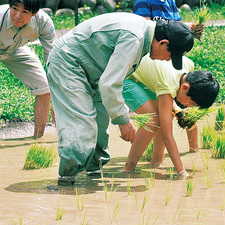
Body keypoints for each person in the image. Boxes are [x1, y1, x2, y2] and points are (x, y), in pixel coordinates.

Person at [46, 12, 195, 186]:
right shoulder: (134, 39)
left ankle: (94, 174)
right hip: (68, 63)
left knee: (100, 124)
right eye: (170, 56)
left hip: (91, 70)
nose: (167, 60)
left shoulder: (145, 34)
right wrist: (123, 120)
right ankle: (66, 181)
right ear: (163, 43)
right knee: (83, 125)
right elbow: (110, 84)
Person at [122, 54, 219, 177]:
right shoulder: (168, 86)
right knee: (153, 120)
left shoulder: (187, 65)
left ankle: (156, 162)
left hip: (142, 76)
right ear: (185, 87)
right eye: (191, 103)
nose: (188, 106)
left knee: (166, 116)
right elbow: (167, 136)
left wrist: (176, 109)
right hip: (125, 77)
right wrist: (181, 171)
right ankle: (129, 168)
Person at [133, 0, 203, 160]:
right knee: (164, 113)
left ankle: (194, 151)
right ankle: (157, 160)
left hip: (172, 57)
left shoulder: (169, 1)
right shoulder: (144, 1)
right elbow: (144, 28)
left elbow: (175, 26)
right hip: (155, 58)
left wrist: (189, 29)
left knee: (189, 103)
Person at [0, 0, 56, 138]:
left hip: (15, 50)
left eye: (24, 11)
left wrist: (57, 95)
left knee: (45, 88)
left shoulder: (43, 22)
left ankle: (37, 139)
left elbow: (52, 58)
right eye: (14, 8)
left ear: (34, 13)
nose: (18, 15)